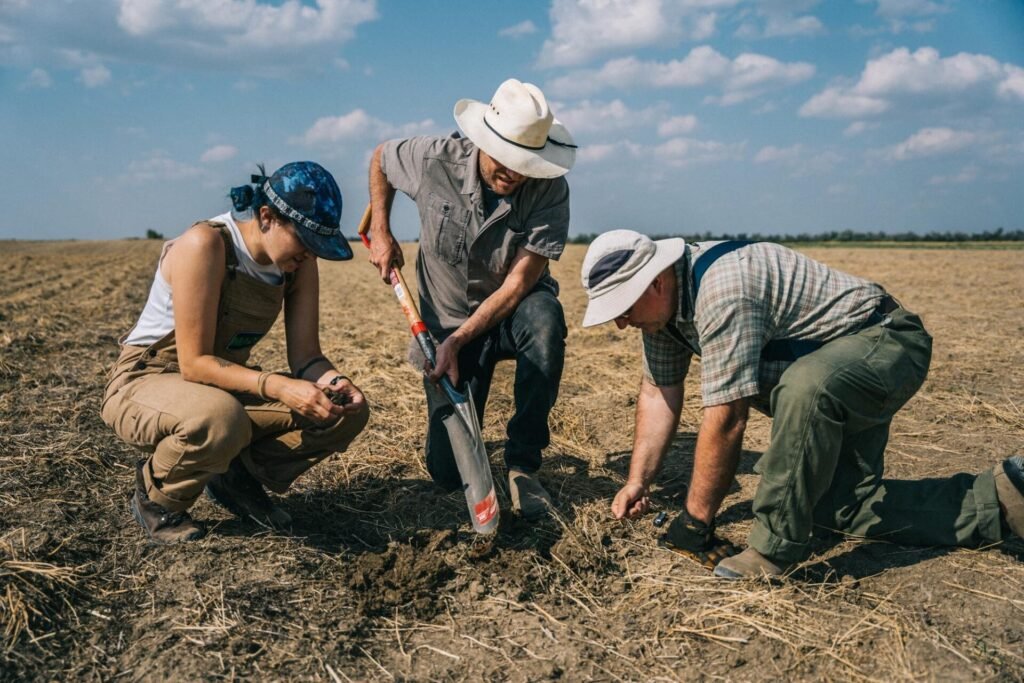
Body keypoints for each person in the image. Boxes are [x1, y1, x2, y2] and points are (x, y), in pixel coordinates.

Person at [580, 229, 1024, 578]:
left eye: (622, 306)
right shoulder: (664, 317)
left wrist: (696, 522)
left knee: (805, 386)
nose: (620, 322)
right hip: (833, 375)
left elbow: (727, 419)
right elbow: (660, 392)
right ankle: (1003, 501)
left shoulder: (723, 288)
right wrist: (639, 480)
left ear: (657, 281)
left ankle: (773, 550)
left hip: (886, 345)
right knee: (842, 509)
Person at [101, 161, 370, 544]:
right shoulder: (206, 244)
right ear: (266, 217)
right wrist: (278, 387)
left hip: (219, 384)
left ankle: (232, 476)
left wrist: (337, 384)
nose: (310, 255)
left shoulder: (297, 266)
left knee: (342, 413)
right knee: (220, 418)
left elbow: (307, 357)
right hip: (148, 379)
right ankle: (158, 497)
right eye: (306, 242)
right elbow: (193, 364)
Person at [366, 78, 576, 519]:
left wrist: (459, 341)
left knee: (545, 322)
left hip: (512, 310)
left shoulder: (550, 189)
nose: (514, 173)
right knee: (445, 473)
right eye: (506, 159)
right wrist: (382, 230)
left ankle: (523, 463)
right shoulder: (433, 158)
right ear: (482, 140)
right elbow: (382, 157)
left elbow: (519, 284)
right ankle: (469, 444)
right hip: (446, 321)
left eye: (526, 163)